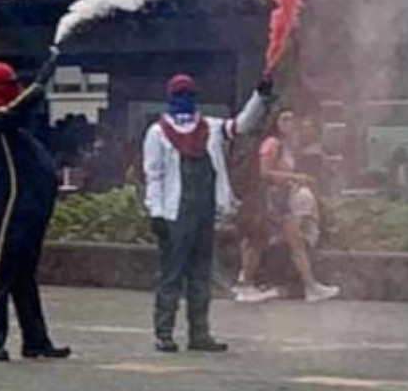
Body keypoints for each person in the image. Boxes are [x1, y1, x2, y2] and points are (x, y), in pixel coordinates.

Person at [144, 73, 272, 354]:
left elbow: (240, 126)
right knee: (171, 276)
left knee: (201, 275)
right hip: (174, 213)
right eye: (180, 95)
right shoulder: (158, 133)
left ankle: (199, 334)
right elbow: (154, 175)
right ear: (170, 98)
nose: (185, 100)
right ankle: (164, 333)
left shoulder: (210, 127)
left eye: (189, 94)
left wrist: (259, 98)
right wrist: (155, 212)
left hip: (204, 211)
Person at [0, 53, 70, 363]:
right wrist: (40, 81)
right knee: (0, 274)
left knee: (24, 276)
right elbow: (12, 111)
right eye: (8, 85)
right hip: (11, 206)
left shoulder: (11, 120)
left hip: (30, 208)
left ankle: (35, 340)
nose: (14, 90)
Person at [233, 109, 340, 304]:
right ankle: (247, 284)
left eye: (292, 118)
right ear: (275, 121)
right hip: (269, 201)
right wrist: (296, 178)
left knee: (290, 240)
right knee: (260, 241)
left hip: (280, 200)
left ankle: (310, 286)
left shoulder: (286, 145)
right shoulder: (272, 144)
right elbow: (264, 173)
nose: (289, 122)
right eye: (284, 118)